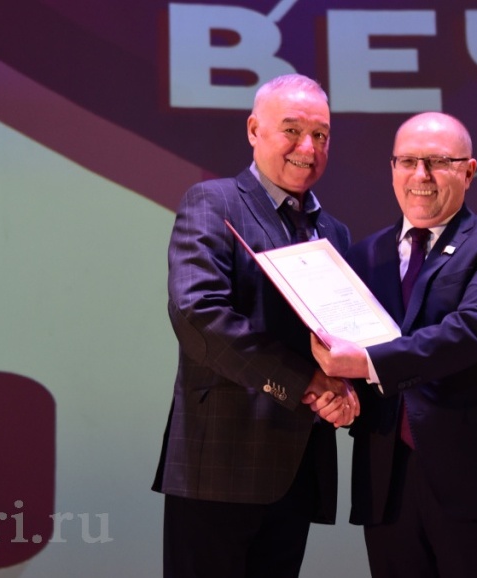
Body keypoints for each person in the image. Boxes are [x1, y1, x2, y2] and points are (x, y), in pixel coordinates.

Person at [311, 112, 477, 577]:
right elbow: (343, 346)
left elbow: (472, 330)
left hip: (476, 478)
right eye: (408, 161)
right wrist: (336, 389)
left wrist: (367, 363)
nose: (421, 175)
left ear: (468, 172)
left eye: (437, 162)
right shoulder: (363, 255)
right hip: (386, 481)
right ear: (392, 168)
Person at [152, 74, 359, 578]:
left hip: (298, 468)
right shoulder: (213, 202)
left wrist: (346, 389)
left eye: (321, 135)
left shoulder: (334, 232)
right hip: (220, 464)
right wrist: (306, 382)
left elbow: (340, 339)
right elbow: (199, 315)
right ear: (253, 130)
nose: (308, 148)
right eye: (292, 130)